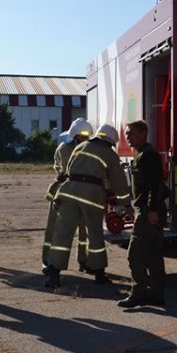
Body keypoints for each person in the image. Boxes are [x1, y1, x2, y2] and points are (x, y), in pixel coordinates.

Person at [44, 123, 129, 289]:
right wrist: (125, 202)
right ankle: (99, 274)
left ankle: (53, 276)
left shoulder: (81, 146)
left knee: (62, 234)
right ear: (111, 141)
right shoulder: (110, 154)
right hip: (92, 195)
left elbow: (68, 169)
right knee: (95, 234)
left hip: (69, 191)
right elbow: (118, 180)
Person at [118, 120, 167, 308]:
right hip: (147, 209)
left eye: (131, 133)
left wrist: (152, 210)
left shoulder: (148, 156)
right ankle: (156, 295)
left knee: (135, 253)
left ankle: (138, 293)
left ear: (143, 133)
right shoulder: (142, 155)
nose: (128, 137)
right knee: (153, 254)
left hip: (149, 211)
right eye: (127, 133)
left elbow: (154, 185)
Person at [42, 118, 94, 274]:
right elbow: (69, 172)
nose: (85, 139)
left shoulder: (88, 149)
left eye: (87, 137)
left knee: (84, 230)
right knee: (55, 228)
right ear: (75, 136)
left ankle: (84, 260)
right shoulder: (64, 149)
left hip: (82, 192)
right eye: (82, 137)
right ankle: (48, 261)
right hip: (62, 192)